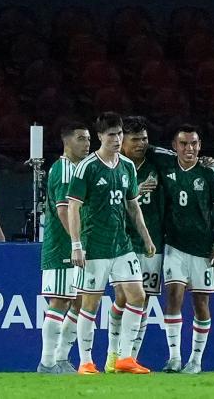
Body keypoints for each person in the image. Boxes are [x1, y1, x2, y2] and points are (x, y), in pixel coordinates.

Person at [67, 113, 156, 375]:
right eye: (111, 135)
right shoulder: (87, 167)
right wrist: (76, 244)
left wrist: (146, 237)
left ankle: (124, 358)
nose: (116, 139)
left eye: (119, 134)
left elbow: (132, 204)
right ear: (100, 137)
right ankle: (85, 361)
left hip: (122, 245)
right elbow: (73, 206)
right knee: (90, 304)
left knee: (138, 297)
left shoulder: (127, 166)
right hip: (95, 246)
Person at [104, 116, 170, 372]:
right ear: (122, 141)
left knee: (144, 299)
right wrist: (136, 192)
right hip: (122, 242)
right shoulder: (113, 166)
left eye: (144, 138)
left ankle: (129, 356)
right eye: (135, 139)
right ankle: (112, 353)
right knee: (123, 297)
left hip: (151, 241)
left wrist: (207, 161)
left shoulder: (158, 161)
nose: (141, 144)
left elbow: (186, 159)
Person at [161, 124, 214, 374]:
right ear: (174, 146)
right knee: (174, 297)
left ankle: (196, 360)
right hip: (174, 245)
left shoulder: (211, 172)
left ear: (200, 145)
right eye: (184, 144)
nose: (189, 148)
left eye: (194, 144)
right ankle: (175, 357)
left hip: (203, 247)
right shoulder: (166, 166)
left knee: (201, 303)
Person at [37, 122, 90, 374]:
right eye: (80, 138)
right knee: (60, 300)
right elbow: (63, 209)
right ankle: (47, 362)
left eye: (89, 138)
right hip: (62, 246)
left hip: (73, 246)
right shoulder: (65, 169)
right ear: (66, 142)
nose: (87, 143)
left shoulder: (79, 169)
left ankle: (61, 358)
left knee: (78, 302)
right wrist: (76, 243)